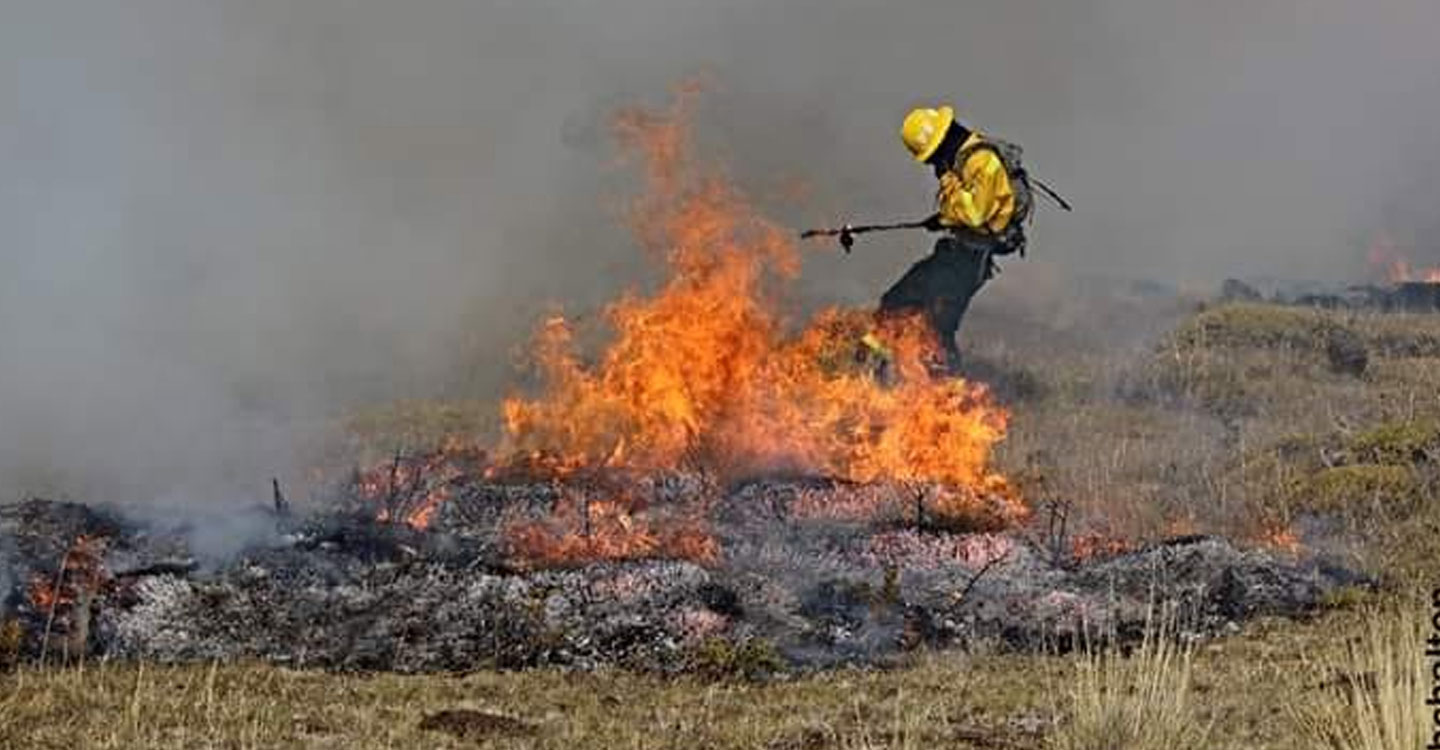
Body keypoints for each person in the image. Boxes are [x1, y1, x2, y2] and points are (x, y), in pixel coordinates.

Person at [871, 104, 1032, 373]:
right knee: (897, 300)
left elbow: (975, 215)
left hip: (971, 258)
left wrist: (947, 182)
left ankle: (952, 394)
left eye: (932, 156)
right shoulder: (962, 160)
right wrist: (942, 219)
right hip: (957, 250)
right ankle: (870, 369)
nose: (933, 164)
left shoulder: (981, 161)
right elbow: (967, 209)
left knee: (938, 328)